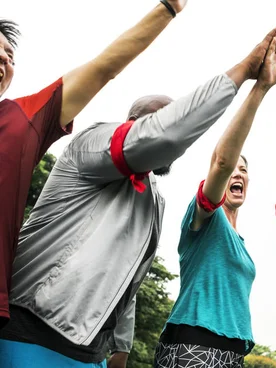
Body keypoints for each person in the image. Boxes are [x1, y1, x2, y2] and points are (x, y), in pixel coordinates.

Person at [0, 26, 276, 368]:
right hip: (36, 337)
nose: (175, 124)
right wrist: (249, 79)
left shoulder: (155, 199)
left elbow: (128, 282)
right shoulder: (93, 142)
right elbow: (174, 139)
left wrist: (120, 344)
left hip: (93, 360)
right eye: (161, 117)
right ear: (133, 124)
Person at [0, 0, 188, 333]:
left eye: (11, 56)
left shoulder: (21, 119)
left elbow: (103, 68)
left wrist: (168, 9)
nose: (5, 58)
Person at [152, 29, 276, 368]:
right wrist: (259, 90)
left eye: (246, 170)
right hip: (195, 346)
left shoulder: (239, 241)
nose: (238, 173)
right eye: (233, 170)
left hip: (233, 356)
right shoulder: (204, 221)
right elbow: (223, 161)